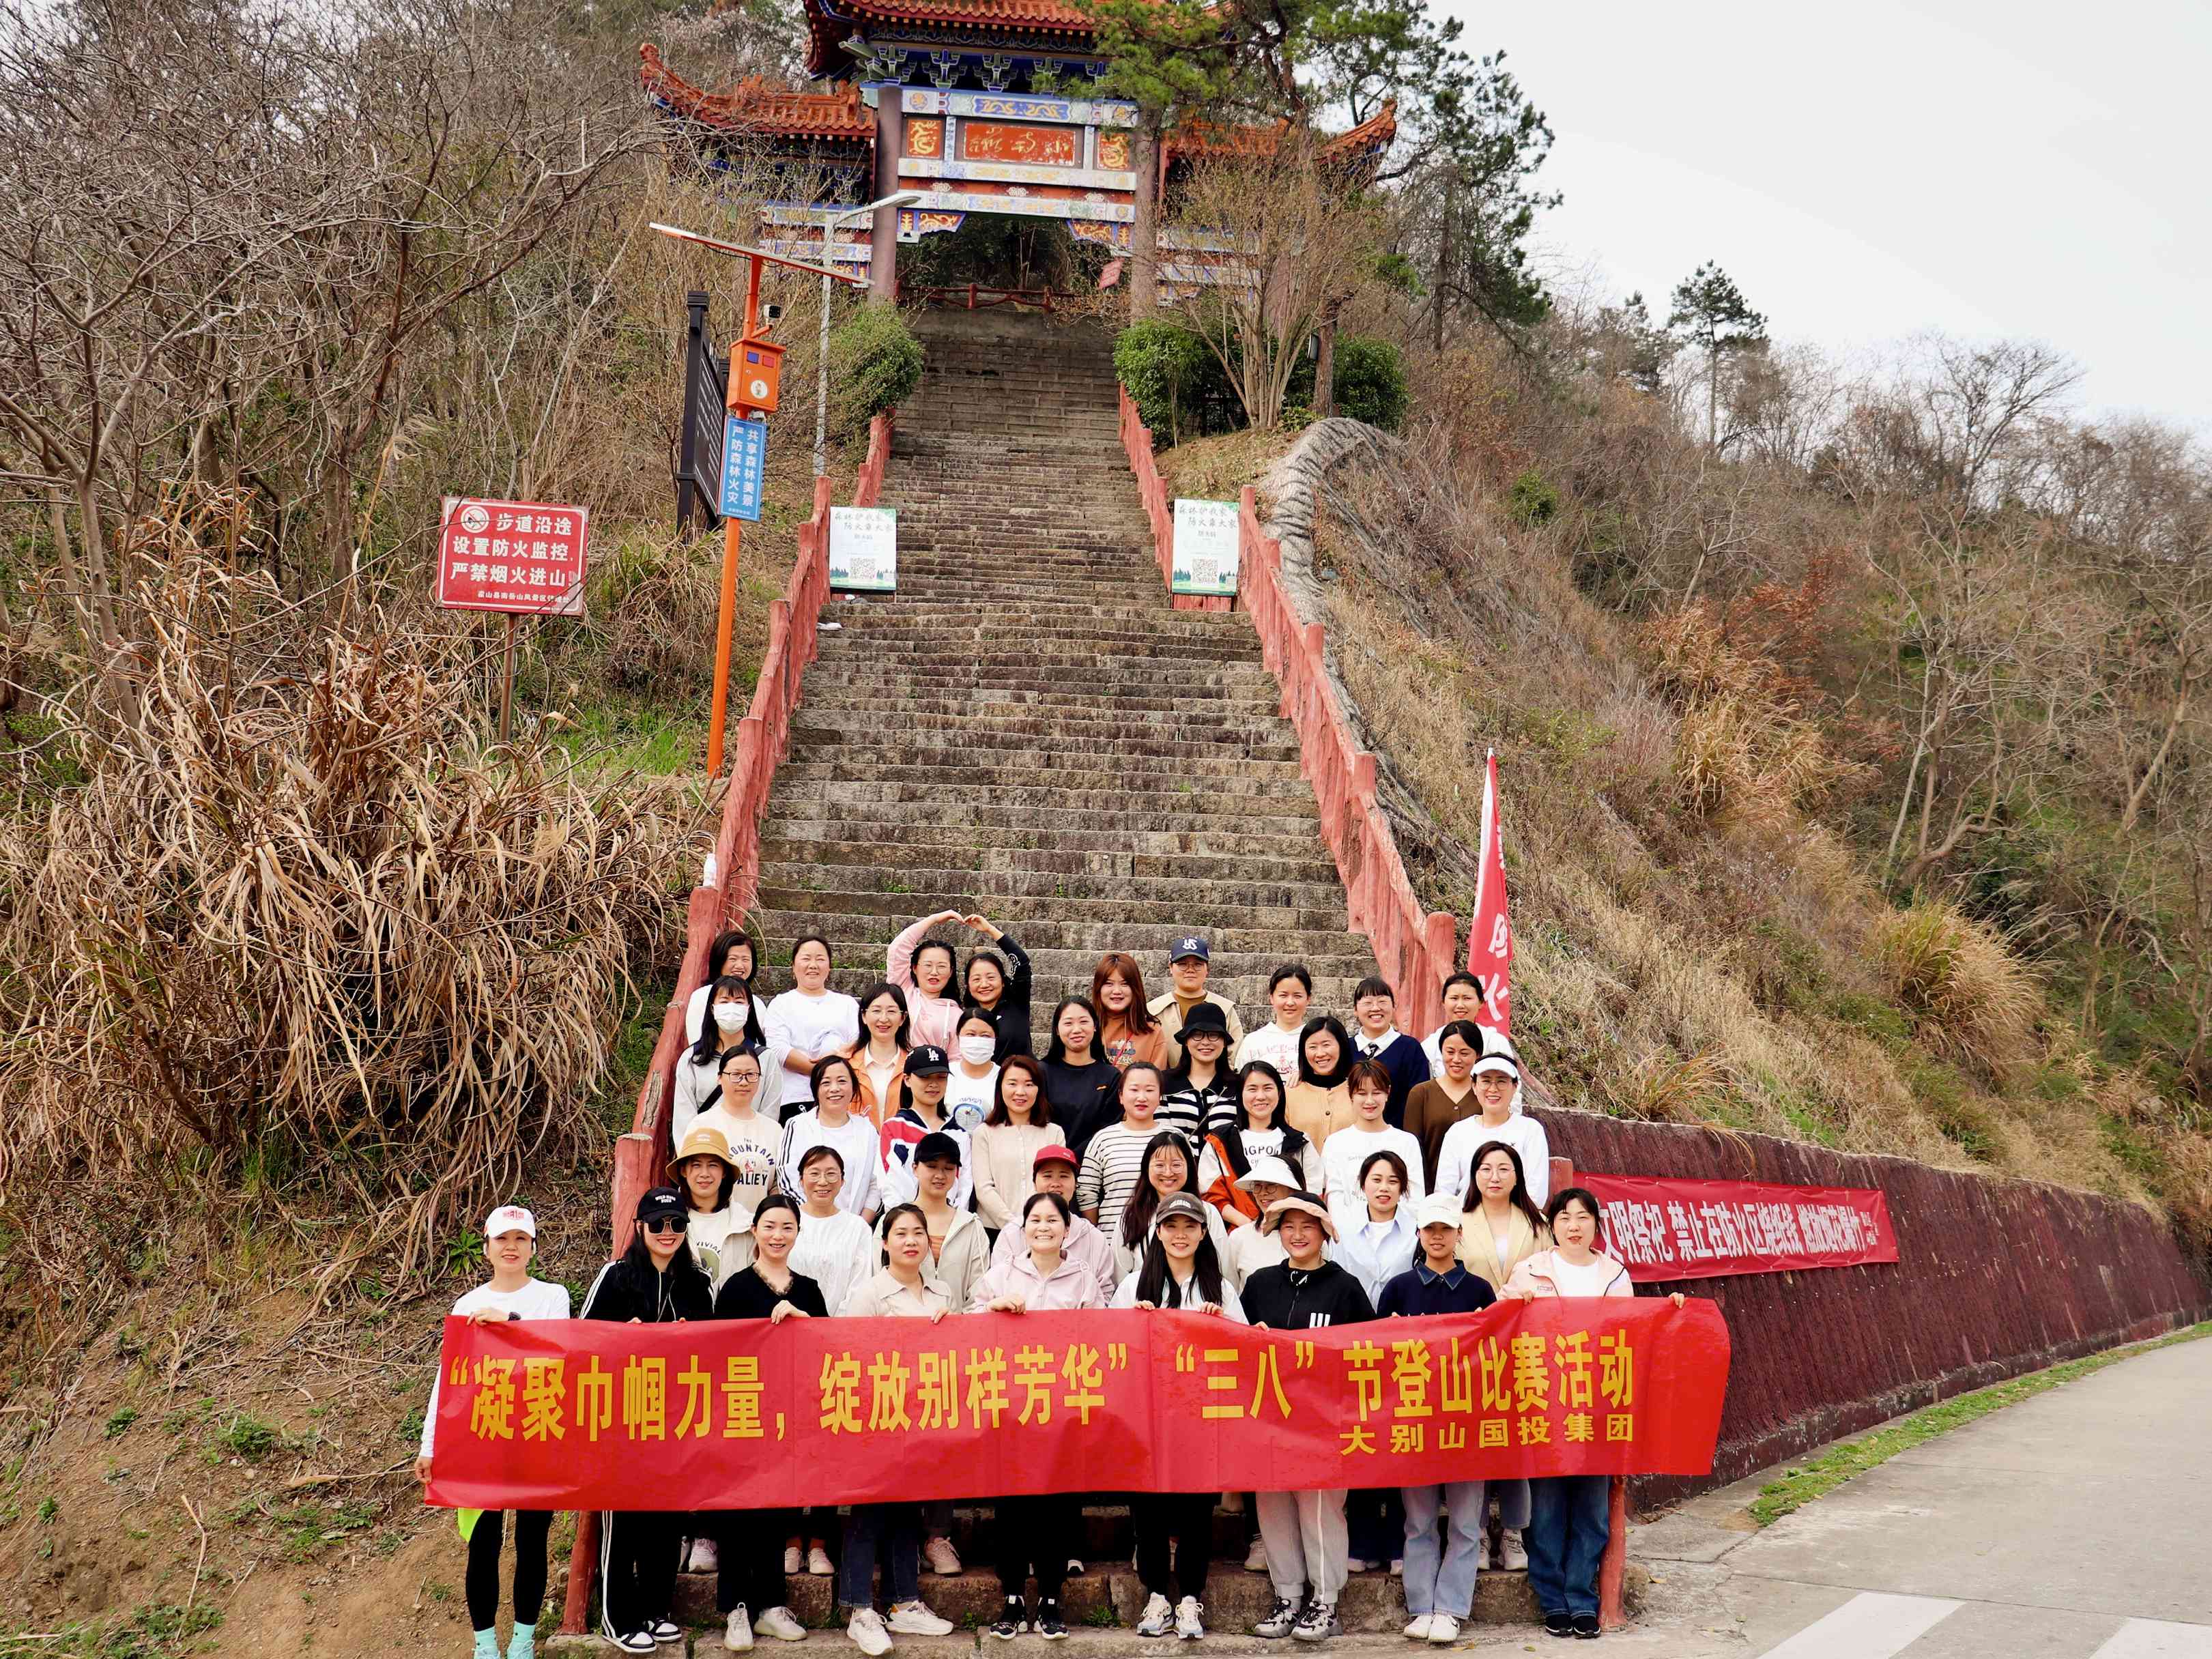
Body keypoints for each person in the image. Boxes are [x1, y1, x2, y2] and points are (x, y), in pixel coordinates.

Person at [1502, 1189, 1685, 1640]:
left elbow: (1635, 1336)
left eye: (1582, 1217)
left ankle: (1581, 1599)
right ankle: (1552, 1600)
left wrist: (1671, 1311)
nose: (1573, 1225)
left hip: (1598, 1410)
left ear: (1595, 1225)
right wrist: (1514, 1301)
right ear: (1552, 1225)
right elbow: (1497, 1326)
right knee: (1544, 1510)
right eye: (1564, 1217)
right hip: (1544, 1407)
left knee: (1590, 1511)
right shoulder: (1530, 1270)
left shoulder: (1613, 1274)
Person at [416, 1204, 569, 1659]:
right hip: (481, 1435)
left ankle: (523, 1640)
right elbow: (448, 1379)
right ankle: (485, 1645)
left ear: (533, 1248)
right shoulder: (466, 1305)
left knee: (531, 1540)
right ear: (486, 1247)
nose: (511, 1247)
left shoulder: (552, 1295)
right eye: (503, 1238)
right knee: (483, 1542)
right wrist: (430, 1444)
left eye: (521, 1239)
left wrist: (511, 1325)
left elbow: (560, 1348)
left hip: (537, 1434)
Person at [580, 1187, 716, 1655]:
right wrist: (623, 1339)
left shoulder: (698, 1282)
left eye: (677, 1224)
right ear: (639, 1226)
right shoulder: (615, 1277)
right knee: (624, 1521)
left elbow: (717, 1350)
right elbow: (583, 1339)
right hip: (622, 1420)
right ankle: (617, 1616)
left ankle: (657, 1609)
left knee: (666, 1520)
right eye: (657, 1223)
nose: (667, 1233)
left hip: (676, 1422)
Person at [1241, 1194, 1374, 1643]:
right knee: (1273, 1508)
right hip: (1268, 1422)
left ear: (1324, 1232)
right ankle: (1286, 1596)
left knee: (1321, 1511)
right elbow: (1235, 1348)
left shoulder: (1345, 1287)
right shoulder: (1259, 1284)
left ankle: (1325, 1600)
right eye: (1288, 1226)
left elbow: (1366, 1353)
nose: (1298, 1234)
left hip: (1325, 1424)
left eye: (1308, 1225)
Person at [1111, 1192, 1244, 1639]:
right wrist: (1135, 1322)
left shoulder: (1218, 1288)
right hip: (1145, 1421)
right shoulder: (1133, 1286)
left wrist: (1219, 1323)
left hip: (1200, 1422)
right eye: (1172, 1226)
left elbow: (1243, 1350)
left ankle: (1190, 1598)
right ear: (1158, 1232)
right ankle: (1155, 1595)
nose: (1180, 1234)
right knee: (1147, 1510)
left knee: (1194, 1513)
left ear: (1203, 1233)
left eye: (1190, 1226)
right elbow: (1110, 1351)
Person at [971, 1191, 1102, 1641]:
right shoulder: (1001, 1273)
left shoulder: (1083, 1277)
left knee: (1056, 1505)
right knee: (1011, 1506)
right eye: (1035, 1219)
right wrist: (994, 1308)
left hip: (1062, 1412)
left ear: (1067, 1228)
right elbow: (969, 1330)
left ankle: (1049, 1598)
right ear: (1021, 1227)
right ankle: (1010, 1597)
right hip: (1010, 1409)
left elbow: (1100, 1337)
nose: (1043, 1226)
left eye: (1052, 1219)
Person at [835, 1206, 958, 1655]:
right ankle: (858, 1609)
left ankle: (903, 1601)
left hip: (924, 1418)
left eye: (918, 1232)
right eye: (900, 1232)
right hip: (876, 1418)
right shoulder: (868, 1293)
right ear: (884, 1241)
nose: (911, 1240)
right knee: (868, 1513)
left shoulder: (942, 1290)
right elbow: (852, 1356)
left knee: (908, 1512)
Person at [1380, 1194, 1499, 1647]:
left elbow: (1495, 1351)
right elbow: (1373, 1359)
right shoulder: (1397, 1289)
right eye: (1429, 1228)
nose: (1436, 1236)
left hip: (1466, 1425)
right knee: (1418, 1521)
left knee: (1467, 1523)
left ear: (1458, 1235)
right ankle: (1421, 1606)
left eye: (1444, 1229)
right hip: (1413, 1422)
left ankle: (1450, 1608)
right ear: (1418, 1234)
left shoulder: (1479, 1291)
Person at [708, 1194, 820, 1650]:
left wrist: (802, 1320)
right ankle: (736, 1607)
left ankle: (772, 1606)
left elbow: (828, 1349)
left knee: (777, 1511)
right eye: (769, 1225)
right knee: (738, 1513)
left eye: (787, 1227)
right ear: (754, 1230)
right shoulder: (734, 1287)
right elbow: (716, 1352)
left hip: (789, 1418)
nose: (778, 1235)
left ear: (797, 1233)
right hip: (741, 1415)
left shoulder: (809, 1288)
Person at [1453, 1142, 1551, 1574]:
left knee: (1516, 1439)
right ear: (1473, 1174)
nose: (1495, 1176)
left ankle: (1513, 1532)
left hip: (1522, 1343)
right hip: (1471, 1346)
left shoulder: (1538, 1223)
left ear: (1518, 1175)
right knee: (1473, 1439)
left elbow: (1553, 1275)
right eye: (1486, 1168)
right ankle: (1473, 1535)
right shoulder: (1456, 1219)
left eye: (1504, 1168)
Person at [785, 1144, 876, 1576]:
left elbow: (863, 1284)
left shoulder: (857, 1228)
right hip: (786, 1349)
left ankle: (819, 1540)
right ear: (800, 1177)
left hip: (839, 1348)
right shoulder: (788, 1222)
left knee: (827, 1445)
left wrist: (830, 1330)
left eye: (831, 1173)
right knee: (790, 1446)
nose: (822, 1181)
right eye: (813, 1172)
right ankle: (789, 1537)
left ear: (844, 1179)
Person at [1328, 1149, 1419, 1577]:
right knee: (1361, 1442)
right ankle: (1362, 1541)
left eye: (1392, 1181)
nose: (1384, 1189)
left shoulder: (1416, 1231)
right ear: (1362, 1184)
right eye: (1376, 1180)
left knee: (1400, 1443)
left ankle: (1399, 1542)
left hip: (1403, 1352)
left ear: (1403, 1189)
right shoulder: (1343, 1232)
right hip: (1355, 1350)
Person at [989, 1144, 1117, 1301]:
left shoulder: (1093, 1237)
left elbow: (1105, 1294)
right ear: (1034, 1183)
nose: (1055, 1183)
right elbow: (995, 1290)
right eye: (1047, 1176)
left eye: (1064, 1176)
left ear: (1076, 1183)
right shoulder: (1012, 1233)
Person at [1199, 1062, 1319, 1224]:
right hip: (1238, 1236)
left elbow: (1313, 1191)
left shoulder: (1300, 1141)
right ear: (1240, 1094)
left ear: (1280, 1093)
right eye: (1252, 1089)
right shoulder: (1219, 1141)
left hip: (1290, 1235)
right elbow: (1212, 1195)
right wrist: (1250, 1228)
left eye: (1268, 1088)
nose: (1261, 1096)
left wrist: (1282, 1223)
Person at [887, 1131, 990, 1314]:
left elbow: (979, 1292)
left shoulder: (972, 1226)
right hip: (901, 1331)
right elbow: (879, 1281)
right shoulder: (893, 1221)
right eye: (932, 1166)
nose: (940, 1175)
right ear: (915, 1168)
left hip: (958, 1335)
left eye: (949, 1168)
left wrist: (957, 1325)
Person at [1434, 1050, 1550, 1209]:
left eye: (1502, 1082)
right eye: (1486, 1081)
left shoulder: (1530, 1130)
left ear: (1515, 1086)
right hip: (1466, 1222)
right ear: (1474, 1086)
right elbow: (1444, 1193)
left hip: (1517, 1223)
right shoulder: (1458, 1132)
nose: (1493, 1089)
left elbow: (1536, 1194)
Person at [1113, 1129, 1232, 1280]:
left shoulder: (1208, 1213)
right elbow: (1120, 1279)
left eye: (1176, 1165)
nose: (1168, 1173)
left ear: (1189, 1166)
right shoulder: (1130, 1219)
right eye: (1160, 1165)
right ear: (1146, 1168)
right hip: (1145, 1301)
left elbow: (1223, 1271)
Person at [675, 976, 784, 1140]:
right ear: (712, 1008)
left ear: (749, 1009)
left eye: (739, 1002)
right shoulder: (692, 1057)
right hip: (706, 1149)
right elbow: (684, 1115)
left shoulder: (766, 1058)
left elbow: (770, 1111)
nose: (732, 1008)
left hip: (751, 1151)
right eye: (725, 1001)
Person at [1319, 1061, 1426, 1226]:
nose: (1370, 1101)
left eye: (1376, 1093)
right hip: (1348, 1237)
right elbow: (1334, 1198)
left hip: (1399, 1237)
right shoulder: (1336, 1143)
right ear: (1351, 1095)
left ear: (1387, 1092)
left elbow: (1414, 1198)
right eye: (1362, 1093)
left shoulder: (1407, 1142)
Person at [778, 1056, 882, 1220]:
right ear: (816, 1089)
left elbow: (876, 1185)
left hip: (854, 1231)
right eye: (826, 1083)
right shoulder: (797, 1126)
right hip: (806, 1226)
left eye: (842, 1081)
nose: (834, 1089)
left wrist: (859, 1225)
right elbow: (787, 1179)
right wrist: (812, 1219)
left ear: (854, 1087)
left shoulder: (868, 1131)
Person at [691, 1047, 786, 1226]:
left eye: (751, 1075)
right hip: (714, 1226)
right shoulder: (702, 1125)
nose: (744, 1082)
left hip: (759, 1230)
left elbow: (777, 1185)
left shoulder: (774, 1130)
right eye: (736, 1075)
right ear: (720, 1078)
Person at [766, 936, 861, 1112]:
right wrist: (823, 1074)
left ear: (829, 967)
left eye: (820, 959)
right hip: (796, 1097)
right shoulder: (781, 1004)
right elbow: (777, 1048)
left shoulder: (847, 1004)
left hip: (842, 1097)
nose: (813, 965)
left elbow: (859, 1041)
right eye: (806, 958)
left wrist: (833, 1072)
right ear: (793, 967)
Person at [1077, 1062, 1168, 1242]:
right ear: (1120, 1096)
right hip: (1113, 1241)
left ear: (1160, 1097)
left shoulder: (1173, 1137)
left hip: (1165, 1242)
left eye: (1149, 1090)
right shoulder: (1103, 1139)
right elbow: (1086, 1191)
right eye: (1134, 1090)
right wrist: (1098, 1236)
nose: (1141, 1097)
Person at [879, 1046, 975, 1211]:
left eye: (941, 1077)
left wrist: (953, 1221)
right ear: (907, 1079)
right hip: (906, 1225)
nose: (934, 1084)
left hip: (950, 1225)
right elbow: (890, 1186)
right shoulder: (893, 1128)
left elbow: (965, 1186)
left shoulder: (958, 1132)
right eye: (925, 1077)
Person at [972, 1054, 1057, 1236]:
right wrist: (1013, 1225)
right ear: (1000, 1087)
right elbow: (984, 1188)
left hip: (1042, 1230)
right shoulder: (984, 1132)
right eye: (1012, 1083)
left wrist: (1032, 1223)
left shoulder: (1054, 1133)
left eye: (1029, 1084)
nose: (1020, 1092)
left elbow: (1053, 1184)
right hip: (993, 1230)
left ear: (1039, 1089)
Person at [669, 1123, 751, 1290]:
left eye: (713, 1165)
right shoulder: (665, 1222)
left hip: (733, 1313)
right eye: (696, 1165)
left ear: (724, 1171)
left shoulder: (745, 1224)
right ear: (684, 1171)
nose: (704, 1174)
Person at [1403, 1022, 1483, 1187]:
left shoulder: (1485, 1094)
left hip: (1478, 1192)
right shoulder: (1421, 1094)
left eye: (1464, 1053)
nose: (1456, 1059)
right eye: (1450, 1052)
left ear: (1478, 1055)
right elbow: (1412, 1150)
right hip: (1429, 1192)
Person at [1039, 998, 1120, 1159]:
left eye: (1084, 1022)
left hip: (1094, 1165)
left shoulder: (1111, 1076)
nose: (1077, 1030)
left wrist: (1073, 1157)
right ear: (1056, 1029)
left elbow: (1108, 1129)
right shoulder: (1041, 1072)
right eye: (1068, 1023)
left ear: (1095, 1026)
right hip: (1048, 1164)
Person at [1148, 935, 1246, 1066]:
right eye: (1182, 964)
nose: (1190, 970)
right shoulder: (1153, 1010)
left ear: (1207, 969)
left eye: (1198, 964)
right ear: (1171, 967)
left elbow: (1234, 1056)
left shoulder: (1225, 1008)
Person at [1345, 978, 1429, 1129]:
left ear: (1393, 1007)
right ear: (1355, 1010)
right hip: (1352, 1136)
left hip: (1397, 1139)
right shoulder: (1345, 1048)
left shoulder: (1410, 1048)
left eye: (1382, 1002)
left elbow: (1419, 1101)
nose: (1376, 1008)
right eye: (1368, 1003)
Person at [1158, 1002, 1235, 1153]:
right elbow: (1160, 1134)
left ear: (1224, 1042)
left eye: (1214, 1035)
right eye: (1197, 1035)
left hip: (1225, 1173)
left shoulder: (1237, 1085)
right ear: (1186, 1041)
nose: (1205, 1042)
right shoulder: (1165, 1083)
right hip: (1177, 1171)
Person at [888, 910, 965, 1052]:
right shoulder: (902, 990)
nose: (934, 972)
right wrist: (933, 919)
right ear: (915, 968)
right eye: (928, 965)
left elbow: (956, 1059)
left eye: (941, 966)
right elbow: (898, 949)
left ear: (951, 972)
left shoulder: (957, 1015)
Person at [962, 917, 1035, 1059]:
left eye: (991, 977)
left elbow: (1022, 963)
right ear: (968, 985)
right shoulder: (965, 1016)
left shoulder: (1017, 1002)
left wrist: (990, 929)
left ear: (1002, 981)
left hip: (1021, 1079)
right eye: (976, 979)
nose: (984, 984)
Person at [1220, 1156, 1297, 1291]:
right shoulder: (1239, 1238)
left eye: (1271, 1185)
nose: (1263, 1192)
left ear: (1293, 1189)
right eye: (1258, 1186)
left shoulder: (1312, 1237)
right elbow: (1230, 1293)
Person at [1284, 1016, 1356, 1155]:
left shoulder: (1358, 1091)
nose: (1320, 1053)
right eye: (1312, 1047)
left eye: (1326, 1045)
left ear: (1342, 1045)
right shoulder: (1289, 1093)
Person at [844, 982, 912, 1125]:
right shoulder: (846, 1064)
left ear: (903, 1018)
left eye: (892, 1011)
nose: (883, 1018)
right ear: (864, 1016)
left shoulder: (913, 1064)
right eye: (876, 1011)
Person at [1092, 953, 1170, 1071]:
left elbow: (1155, 1083)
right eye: (1109, 984)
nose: (1117, 991)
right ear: (1098, 988)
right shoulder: (1085, 1028)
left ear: (1135, 989)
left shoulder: (1153, 1032)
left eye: (1125, 984)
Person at [684, 927, 760, 1043]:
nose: (740, 966)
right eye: (733, 959)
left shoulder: (757, 1003)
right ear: (719, 960)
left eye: (746, 959)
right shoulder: (702, 997)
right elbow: (696, 1042)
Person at [1233, 964, 1312, 1074]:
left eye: (1297, 996)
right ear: (1271, 998)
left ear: (1308, 999)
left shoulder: (1316, 1040)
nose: (1290, 1002)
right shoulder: (1252, 1041)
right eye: (1283, 995)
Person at [1418, 974, 1493, 1076]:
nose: (1460, 1005)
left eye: (1467, 998)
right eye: (1454, 998)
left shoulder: (1494, 1041)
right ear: (1444, 1003)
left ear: (1481, 1003)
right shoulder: (1430, 1045)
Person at [947, 1007, 1003, 1125]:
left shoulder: (1004, 1077)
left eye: (985, 1036)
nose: (977, 1041)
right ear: (958, 1036)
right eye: (971, 1034)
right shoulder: (946, 1073)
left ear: (995, 1039)